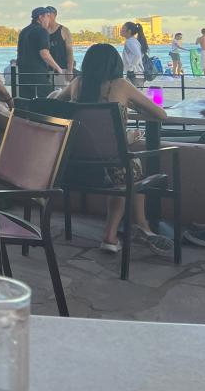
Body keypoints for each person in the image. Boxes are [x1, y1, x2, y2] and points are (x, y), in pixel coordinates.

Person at [54, 43, 173, 255]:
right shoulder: (121, 85)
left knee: (122, 164)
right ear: (115, 63)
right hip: (116, 168)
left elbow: (52, 103)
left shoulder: (77, 83)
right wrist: (133, 105)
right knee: (127, 166)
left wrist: (57, 95)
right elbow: (161, 115)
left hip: (75, 166)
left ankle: (123, 233)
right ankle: (139, 227)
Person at [16, 7, 62, 99]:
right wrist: (57, 68)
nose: (49, 19)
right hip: (38, 74)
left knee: (26, 102)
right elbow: (44, 53)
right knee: (47, 100)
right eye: (47, 16)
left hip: (22, 74)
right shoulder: (41, 31)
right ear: (40, 17)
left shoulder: (24, 31)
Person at [46, 6, 75, 79]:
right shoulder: (42, 31)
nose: (47, 16)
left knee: (61, 90)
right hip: (45, 70)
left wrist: (70, 70)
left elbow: (70, 52)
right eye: (46, 15)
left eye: (49, 14)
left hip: (61, 70)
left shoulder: (64, 30)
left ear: (55, 15)